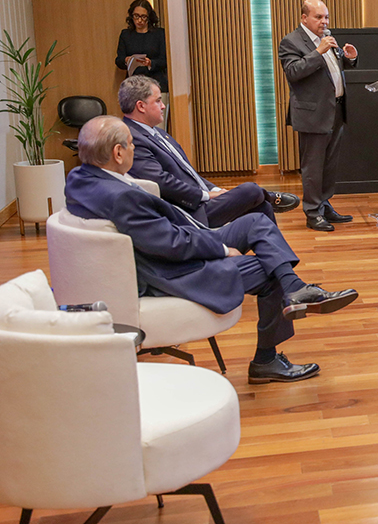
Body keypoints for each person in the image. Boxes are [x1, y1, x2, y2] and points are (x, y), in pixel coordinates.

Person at [65, 116, 358, 384]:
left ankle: (295, 288)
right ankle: (266, 360)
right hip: (177, 271)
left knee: (256, 221)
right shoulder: (122, 197)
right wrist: (221, 248)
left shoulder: (80, 178)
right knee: (268, 271)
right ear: (117, 153)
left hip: (178, 243)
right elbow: (171, 245)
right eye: (130, 145)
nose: (134, 150)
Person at [119, 76, 299, 227]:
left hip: (201, 201)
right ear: (141, 106)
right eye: (158, 101)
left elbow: (189, 173)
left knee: (261, 207)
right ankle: (269, 196)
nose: (163, 105)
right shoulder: (132, 138)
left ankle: (276, 258)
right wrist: (206, 195)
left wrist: (216, 189)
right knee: (251, 190)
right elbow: (161, 182)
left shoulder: (156, 132)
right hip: (190, 212)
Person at [278, 0, 359, 232]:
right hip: (312, 114)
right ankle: (313, 212)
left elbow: (333, 70)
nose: (324, 21)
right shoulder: (291, 41)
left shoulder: (327, 39)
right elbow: (293, 72)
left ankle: (324, 204)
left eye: (326, 17)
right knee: (313, 167)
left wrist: (349, 58)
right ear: (304, 18)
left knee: (329, 165)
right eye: (319, 17)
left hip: (336, 110)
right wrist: (318, 52)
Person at [116, 0, 168, 120]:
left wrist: (151, 63)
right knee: (136, 123)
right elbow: (119, 60)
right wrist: (127, 60)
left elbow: (165, 60)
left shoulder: (159, 34)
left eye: (143, 17)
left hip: (156, 82)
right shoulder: (126, 35)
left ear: (149, 17)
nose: (139, 20)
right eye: (136, 16)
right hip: (134, 86)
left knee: (157, 122)